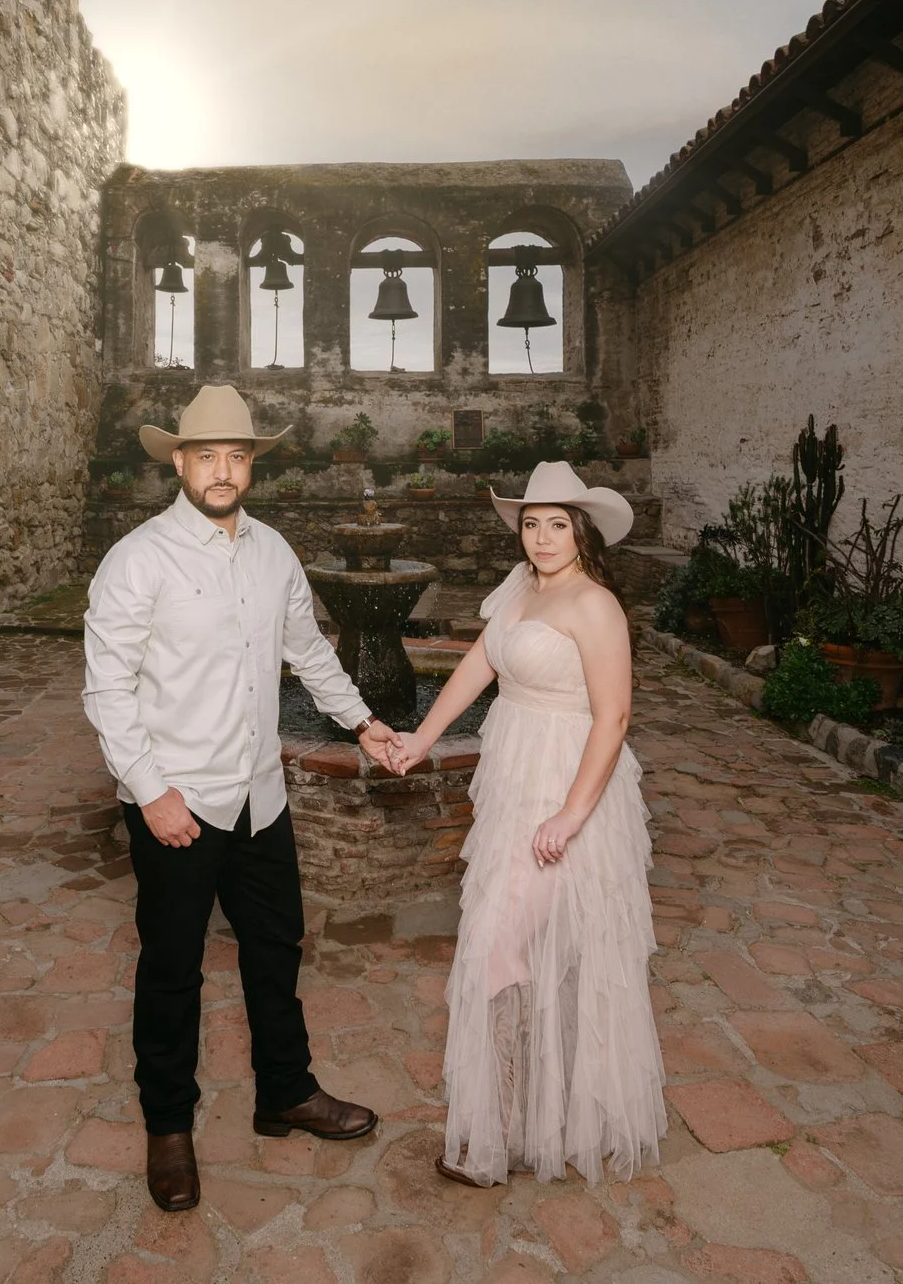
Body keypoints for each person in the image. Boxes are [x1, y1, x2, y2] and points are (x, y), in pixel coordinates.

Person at [83, 384, 392, 1213]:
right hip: (177, 805)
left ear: (253, 464)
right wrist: (150, 793)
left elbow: (310, 652)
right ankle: (168, 1128)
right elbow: (107, 691)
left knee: (276, 948)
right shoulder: (138, 560)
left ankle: (285, 1091)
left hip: (260, 795)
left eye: (238, 455)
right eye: (207, 455)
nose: (223, 470)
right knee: (172, 969)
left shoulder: (274, 553)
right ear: (179, 462)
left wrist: (363, 723)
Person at [366, 461, 665, 1185]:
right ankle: (513, 1119)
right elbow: (479, 665)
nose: (542, 537)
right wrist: (421, 738)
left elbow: (615, 716)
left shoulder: (595, 605)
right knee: (507, 943)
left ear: (583, 531)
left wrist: (572, 812)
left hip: (568, 784)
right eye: (532, 524)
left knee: (509, 946)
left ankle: (504, 1126)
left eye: (558, 524)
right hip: (512, 782)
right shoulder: (522, 587)